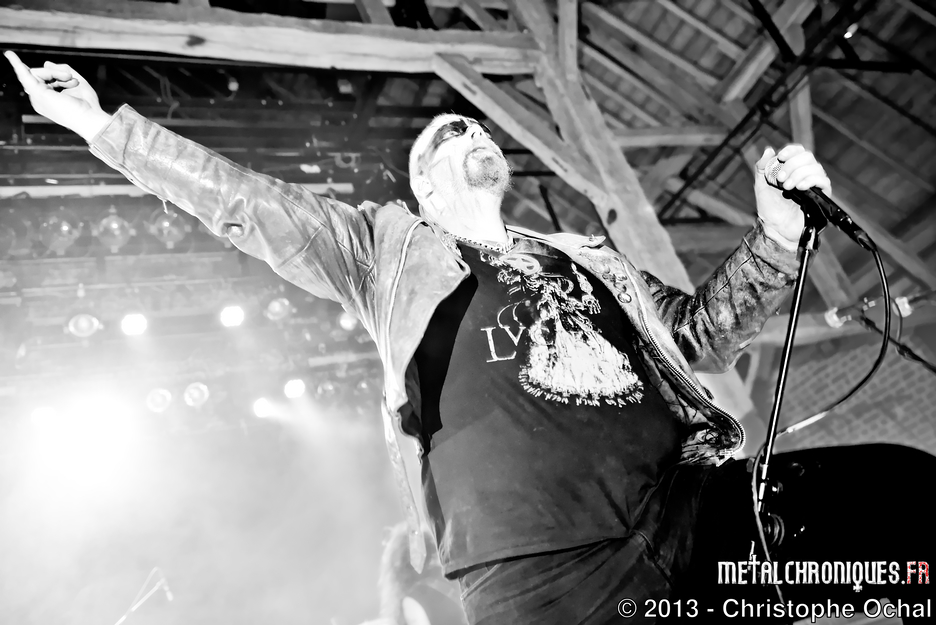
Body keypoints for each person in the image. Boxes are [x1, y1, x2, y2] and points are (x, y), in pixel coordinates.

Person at [6, 51, 934, 624]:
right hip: (544, 574)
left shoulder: (590, 259)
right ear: (424, 185)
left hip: (687, 513)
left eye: (481, 125)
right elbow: (253, 206)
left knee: (900, 496)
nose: (474, 129)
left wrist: (776, 234)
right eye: (452, 130)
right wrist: (102, 126)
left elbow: (698, 335)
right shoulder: (388, 253)